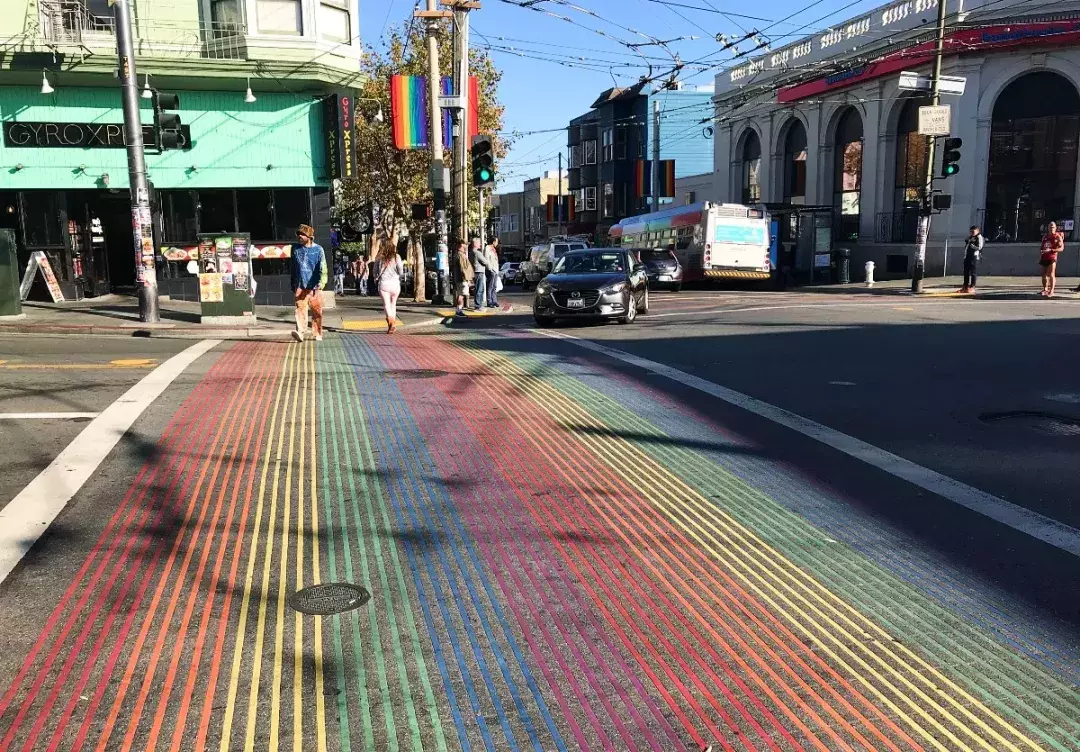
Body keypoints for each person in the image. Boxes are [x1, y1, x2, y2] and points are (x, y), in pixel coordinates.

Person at [290, 224, 327, 342]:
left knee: (316, 311)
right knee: (300, 309)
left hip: (315, 286)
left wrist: (321, 284)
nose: (299, 236)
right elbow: (293, 267)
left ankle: (317, 333)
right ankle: (300, 332)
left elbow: (323, 267)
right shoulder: (295, 249)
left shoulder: (318, 249)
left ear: (310, 236)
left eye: (302, 234)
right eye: (298, 234)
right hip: (300, 285)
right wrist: (293, 283)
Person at [374, 237, 405, 333]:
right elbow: (401, 271)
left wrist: (376, 276)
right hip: (395, 284)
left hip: (384, 284)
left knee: (387, 305)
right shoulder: (397, 257)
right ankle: (393, 323)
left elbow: (375, 271)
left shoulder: (379, 257)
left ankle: (390, 322)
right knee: (393, 304)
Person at [1039, 220, 1064, 297]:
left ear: (1055, 228)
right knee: (1043, 274)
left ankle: (1052, 290)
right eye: (1050, 227)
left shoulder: (1057, 236)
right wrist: (1042, 251)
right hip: (1044, 257)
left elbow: (1061, 248)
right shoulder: (1045, 237)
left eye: (1053, 227)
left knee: (1051, 274)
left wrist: (1052, 250)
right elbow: (1042, 246)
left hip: (1052, 257)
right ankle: (1045, 289)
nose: (1051, 228)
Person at [453, 238, 474, 317]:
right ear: (461, 245)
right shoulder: (461, 255)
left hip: (460, 278)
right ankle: (459, 310)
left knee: (461, 294)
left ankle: (459, 310)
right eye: (465, 244)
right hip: (462, 279)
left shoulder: (459, 254)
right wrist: (467, 279)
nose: (466, 246)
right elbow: (463, 268)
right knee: (462, 294)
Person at [959, 225, 984, 293]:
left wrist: (972, 246)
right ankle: (965, 286)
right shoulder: (970, 237)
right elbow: (967, 245)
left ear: (977, 231)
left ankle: (972, 287)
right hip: (967, 256)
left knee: (973, 272)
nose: (972, 232)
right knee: (966, 272)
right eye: (971, 231)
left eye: (973, 231)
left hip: (974, 257)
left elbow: (980, 247)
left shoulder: (979, 237)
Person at [469, 237, 489, 312]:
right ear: (475, 244)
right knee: (479, 289)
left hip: (476, 272)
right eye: (479, 243)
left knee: (480, 289)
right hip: (479, 272)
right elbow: (485, 261)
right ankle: (478, 306)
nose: (480, 244)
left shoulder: (471, 252)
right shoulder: (477, 253)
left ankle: (479, 305)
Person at [485, 237, 501, 308]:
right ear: (493, 242)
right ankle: (489, 301)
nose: (497, 244)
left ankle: (494, 301)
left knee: (494, 286)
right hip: (491, 270)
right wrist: (490, 269)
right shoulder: (487, 248)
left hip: (495, 270)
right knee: (490, 286)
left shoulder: (494, 249)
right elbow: (487, 259)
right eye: (496, 242)